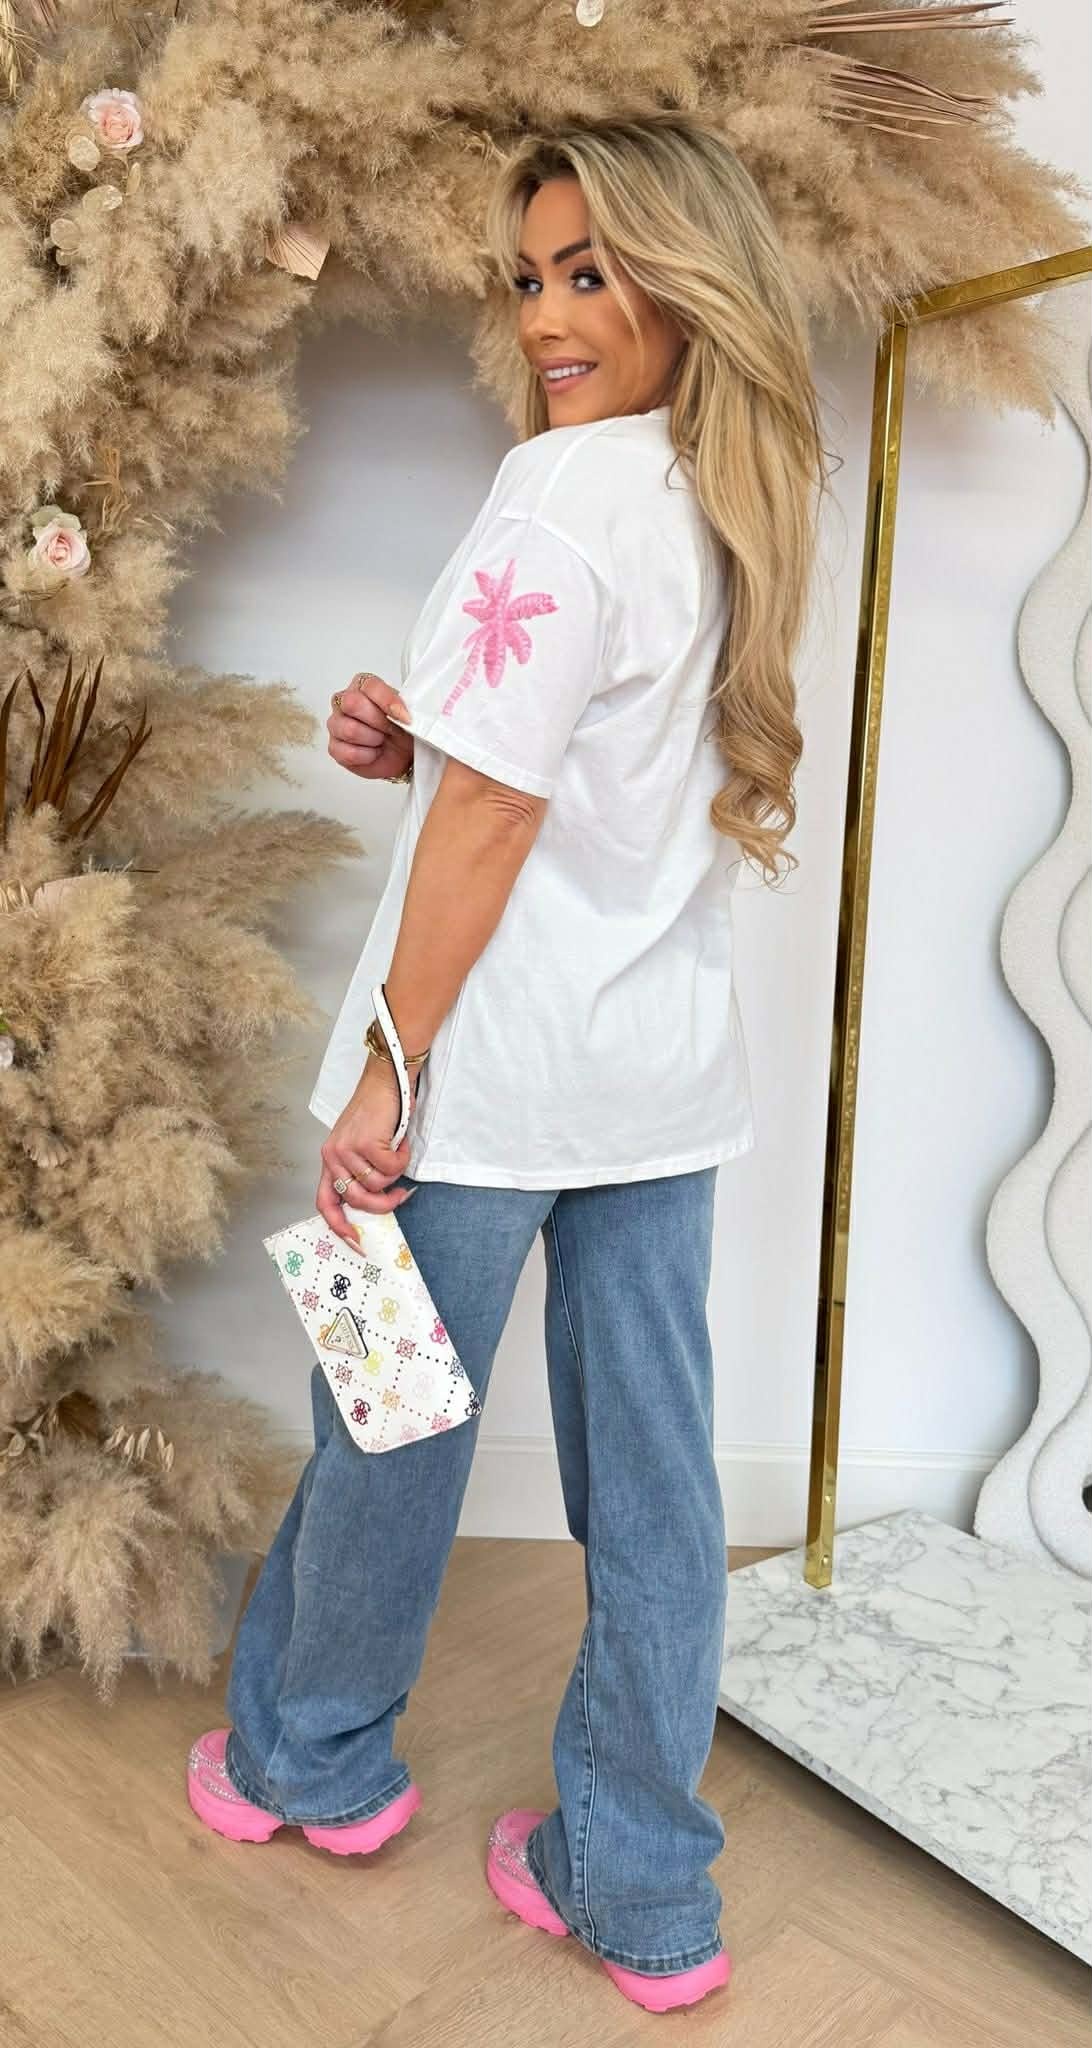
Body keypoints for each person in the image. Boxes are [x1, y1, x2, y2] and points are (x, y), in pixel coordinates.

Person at [186, 111, 830, 2016]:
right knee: (654, 1484)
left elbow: (492, 825)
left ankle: (310, 1760)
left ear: (686, 281)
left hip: (473, 1080)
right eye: (533, 276)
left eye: (592, 273)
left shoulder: (559, 491)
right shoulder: (735, 492)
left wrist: (388, 1069)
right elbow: (581, 768)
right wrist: (427, 734)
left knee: (384, 1417)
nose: (547, 317)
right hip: (660, 1085)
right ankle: (642, 1883)